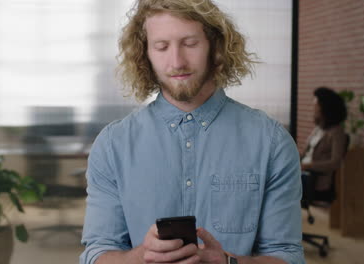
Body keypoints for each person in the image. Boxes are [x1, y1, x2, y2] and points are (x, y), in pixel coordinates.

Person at [80, 1, 304, 263]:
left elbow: (288, 256)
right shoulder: (112, 145)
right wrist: (142, 256)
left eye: (189, 43)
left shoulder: (272, 142)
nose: (177, 62)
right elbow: (96, 254)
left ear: (215, 47)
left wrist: (227, 262)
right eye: (161, 47)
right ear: (146, 54)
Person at [301, 87, 348, 201]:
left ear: (325, 108)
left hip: (315, 180)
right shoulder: (319, 128)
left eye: (316, 105)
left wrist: (308, 166)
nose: (313, 108)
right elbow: (305, 153)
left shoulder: (337, 132)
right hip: (303, 174)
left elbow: (335, 163)